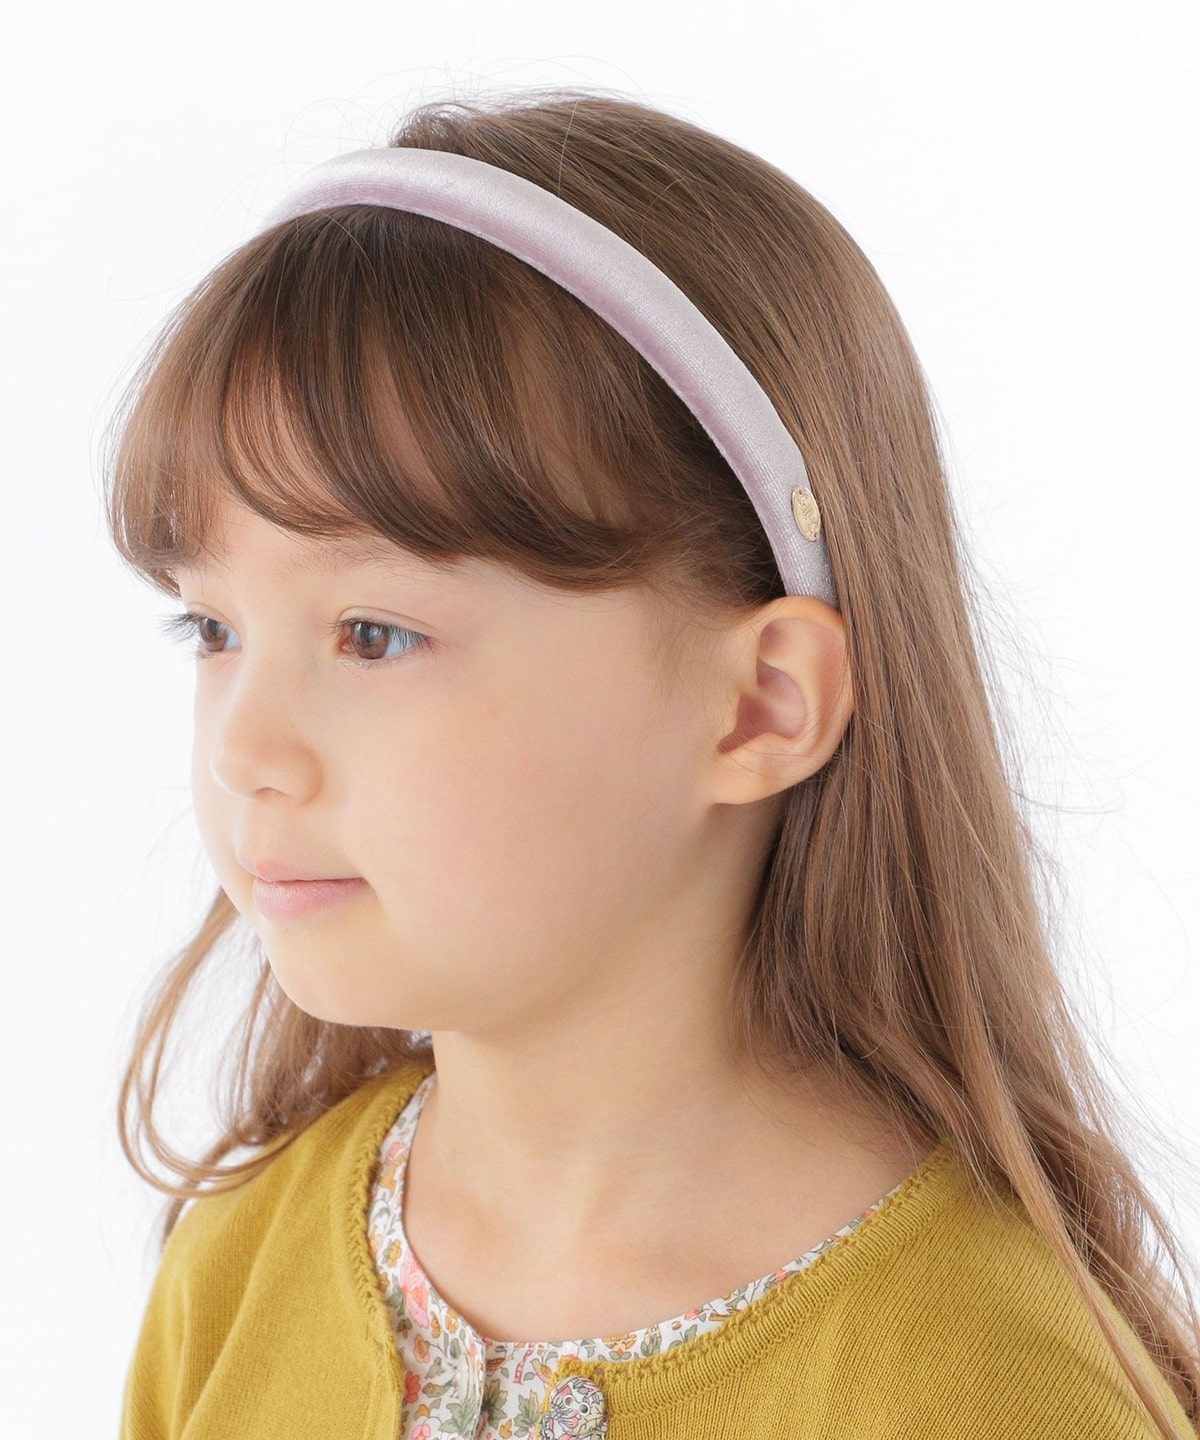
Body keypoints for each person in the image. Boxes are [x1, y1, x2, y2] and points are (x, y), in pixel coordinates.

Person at [108, 86, 1198, 1440]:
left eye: (374, 634)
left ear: (758, 708)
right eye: (212, 629)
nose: (243, 751)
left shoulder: (983, 1386)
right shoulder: (237, 1265)